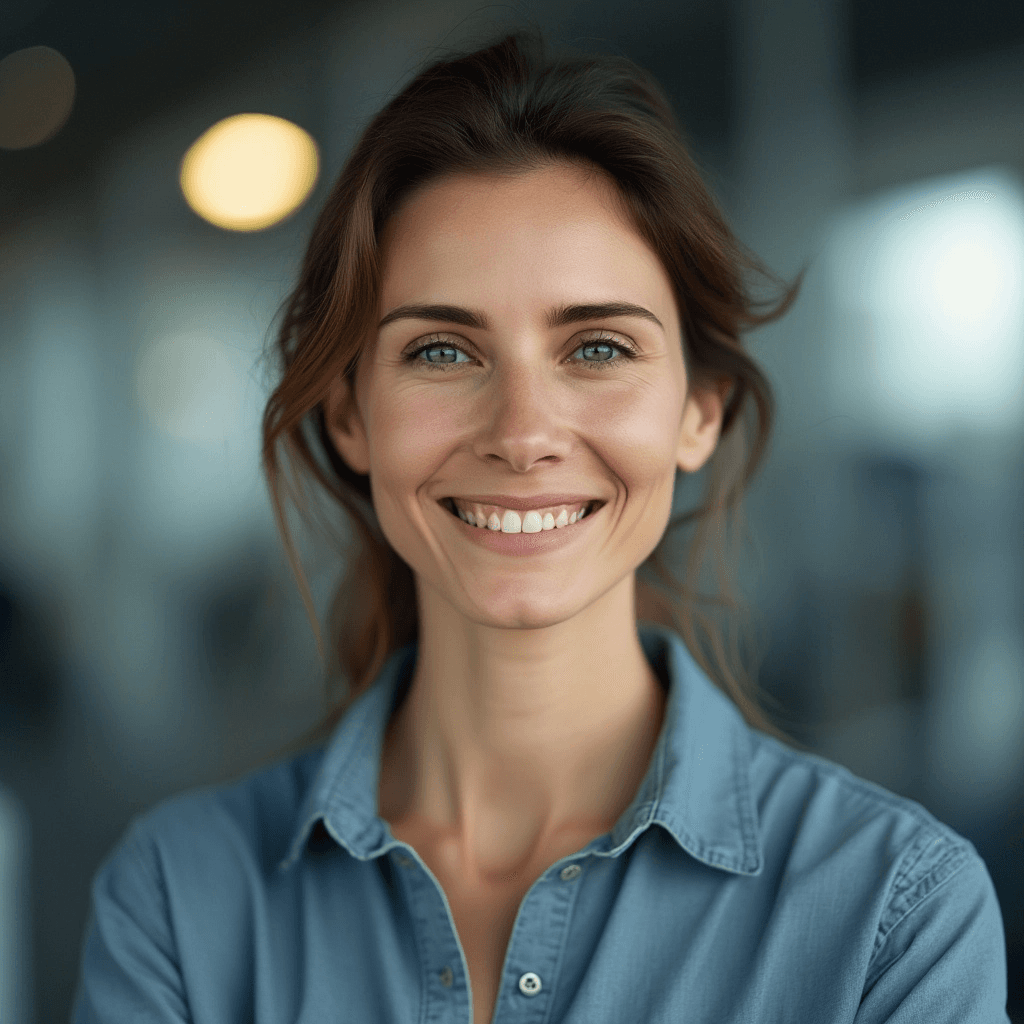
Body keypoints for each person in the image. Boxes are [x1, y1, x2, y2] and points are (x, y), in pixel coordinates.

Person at [72, 25, 1010, 1024]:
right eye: (440, 351)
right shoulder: (177, 901)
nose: (522, 433)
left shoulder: (893, 913)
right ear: (350, 413)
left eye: (597, 347)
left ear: (701, 411)